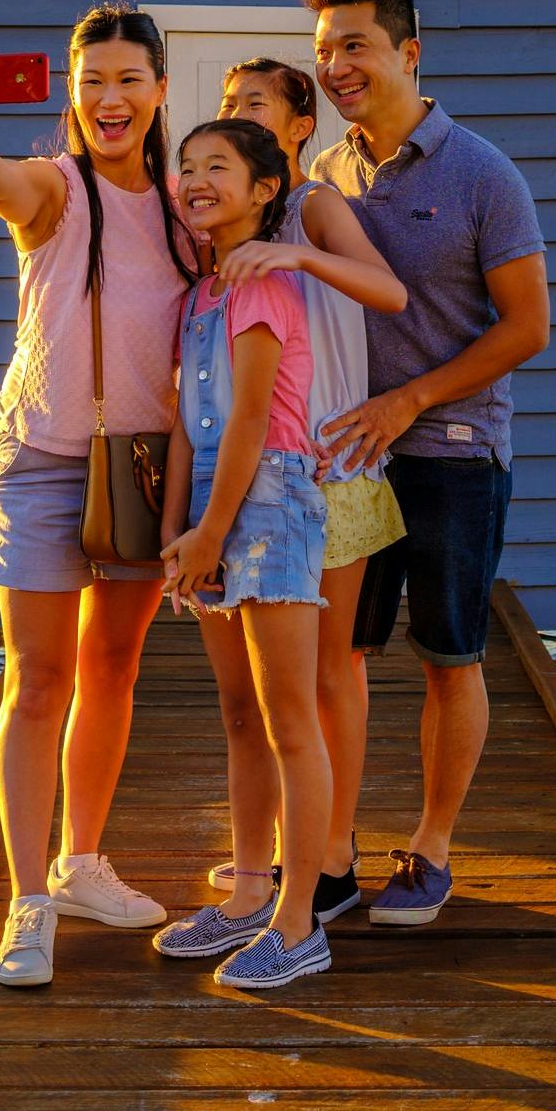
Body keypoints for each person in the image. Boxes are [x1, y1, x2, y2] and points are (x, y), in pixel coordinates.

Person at [0, 5, 190, 989]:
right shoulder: (55, 189)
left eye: (128, 79)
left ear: (161, 89)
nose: (109, 99)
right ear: (71, 93)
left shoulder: (182, 208)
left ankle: (81, 863)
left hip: (139, 470)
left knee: (113, 667)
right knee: (38, 682)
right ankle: (25, 902)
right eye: (92, 82)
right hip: (44, 462)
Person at [300, 0, 551, 928]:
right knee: (343, 656)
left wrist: (410, 399)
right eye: (325, 50)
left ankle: (433, 846)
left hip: (452, 445)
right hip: (354, 453)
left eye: (354, 45)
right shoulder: (324, 174)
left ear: (411, 51)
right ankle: (330, 853)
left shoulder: (484, 173)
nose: (335, 66)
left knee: (450, 651)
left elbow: (527, 326)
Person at [206, 59, 407, 924]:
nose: (235, 113)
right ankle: (283, 852)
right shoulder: (230, 214)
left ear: (298, 127)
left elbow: (389, 290)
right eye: (226, 104)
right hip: (269, 473)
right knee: (271, 687)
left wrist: (294, 249)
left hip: (332, 464)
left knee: (333, 673)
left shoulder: (313, 205)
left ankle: (331, 857)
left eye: (255, 103)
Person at [148, 119, 339, 989]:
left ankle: (299, 921)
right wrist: (175, 530)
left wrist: (213, 531)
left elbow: (256, 421)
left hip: (268, 506)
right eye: (185, 167)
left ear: (265, 189)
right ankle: (248, 892)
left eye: (215, 166)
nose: (193, 179)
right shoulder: (200, 295)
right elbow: (190, 424)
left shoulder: (262, 284)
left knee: (288, 719)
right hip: (211, 515)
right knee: (236, 712)